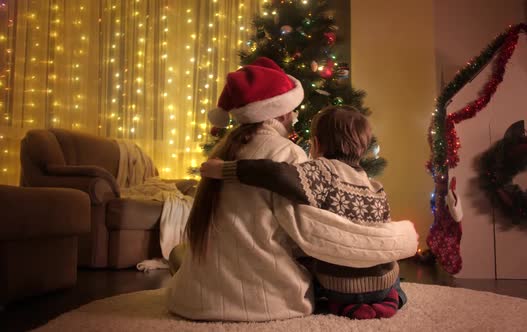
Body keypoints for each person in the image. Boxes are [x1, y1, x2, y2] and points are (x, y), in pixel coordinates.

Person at [166, 57, 418, 322]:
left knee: (179, 255)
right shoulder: (287, 153)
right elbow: (313, 235)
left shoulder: (226, 149)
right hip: (261, 301)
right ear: (282, 112)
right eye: (293, 110)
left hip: (194, 299)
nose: (296, 118)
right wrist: (397, 239)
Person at [199, 106, 409, 319]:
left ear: (316, 144)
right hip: (382, 284)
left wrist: (223, 169)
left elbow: (275, 173)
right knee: (392, 274)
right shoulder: (376, 187)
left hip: (340, 287)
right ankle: (392, 296)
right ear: (363, 149)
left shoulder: (323, 171)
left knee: (310, 258)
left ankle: (349, 300)